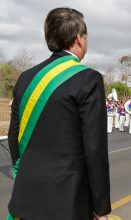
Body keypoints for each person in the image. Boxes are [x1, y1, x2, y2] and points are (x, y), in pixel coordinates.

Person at [7, 8, 111, 220]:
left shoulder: (26, 78)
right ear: (78, 39)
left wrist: (23, 173)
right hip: (68, 204)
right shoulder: (88, 79)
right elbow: (95, 148)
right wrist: (101, 207)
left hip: (25, 196)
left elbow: (13, 137)